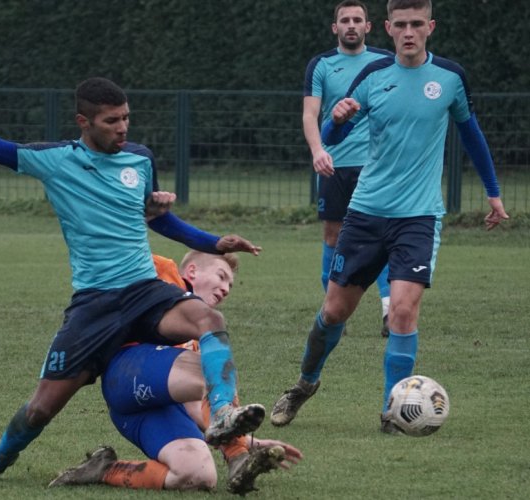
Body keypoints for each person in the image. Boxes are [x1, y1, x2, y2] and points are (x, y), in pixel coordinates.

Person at [0, 48, 267, 481]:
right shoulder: (56, 161)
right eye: (111, 121)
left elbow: (159, 218)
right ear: (84, 122)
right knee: (41, 408)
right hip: (95, 304)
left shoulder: (140, 159)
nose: (123, 128)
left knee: (209, 317)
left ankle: (225, 413)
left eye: (126, 118)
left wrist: (213, 241)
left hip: (144, 291)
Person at [271, 0, 508, 433]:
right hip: (365, 213)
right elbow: (330, 135)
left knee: (402, 311)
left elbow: (471, 134)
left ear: (430, 26)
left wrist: (493, 194)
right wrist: (337, 122)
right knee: (333, 313)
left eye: (418, 24)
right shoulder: (372, 75)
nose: (409, 32)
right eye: (401, 25)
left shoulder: (450, 78)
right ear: (389, 27)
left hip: (419, 216)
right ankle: (305, 384)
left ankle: (392, 412)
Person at [50, 251, 303, 494]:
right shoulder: (164, 272)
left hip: (157, 407)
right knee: (213, 373)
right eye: (221, 276)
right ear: (192, 270)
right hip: (125, 377)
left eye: (230, 285)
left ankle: (104, 469)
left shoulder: (199, 342)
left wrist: (250, 441)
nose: (226, 288)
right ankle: (237, 458)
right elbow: (121, 252)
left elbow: (196, 409)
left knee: (198, 475)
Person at [303, 0, 393, 337]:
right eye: (345, 20)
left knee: (382, 234)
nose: (351, 24)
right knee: (334, 236)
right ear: (335, 27)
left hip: (376, 166)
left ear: (369, 27)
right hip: (334, 165)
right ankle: (333, 312)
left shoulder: (385, 62)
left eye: (358, 19)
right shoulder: (322, 64)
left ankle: (388, 308)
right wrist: (317, 150)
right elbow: (310, 114)